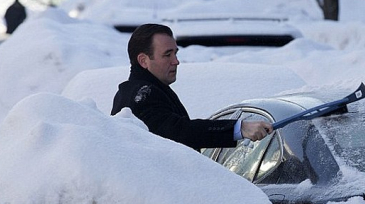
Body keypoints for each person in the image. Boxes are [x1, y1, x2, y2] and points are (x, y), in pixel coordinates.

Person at [111, 23, 272, 151]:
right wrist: (239, 129)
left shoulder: (139, 90)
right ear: (143, 60)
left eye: (175, 53)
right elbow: (179, 132)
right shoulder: (142, 95)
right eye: (167, 55)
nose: (176, 61)